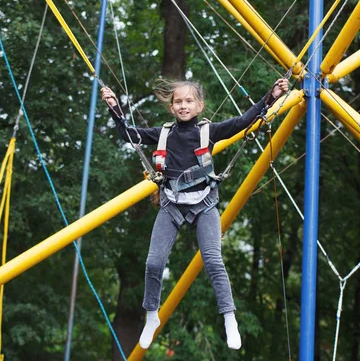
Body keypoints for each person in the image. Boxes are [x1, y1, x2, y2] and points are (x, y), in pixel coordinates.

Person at [101, 77, 289, 350]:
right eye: (178, 101)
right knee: (154, 263)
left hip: (204, 204)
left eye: (189, 101)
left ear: (199, 106)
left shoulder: (208, 131)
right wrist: (115, 109)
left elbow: (244, 121)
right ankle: (151, 315)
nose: (183, 105)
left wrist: (270, 96)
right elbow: (129, 135)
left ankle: (229, 317)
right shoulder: (163, 133)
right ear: (172, 106)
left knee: (213, 260)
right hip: (172, 204)